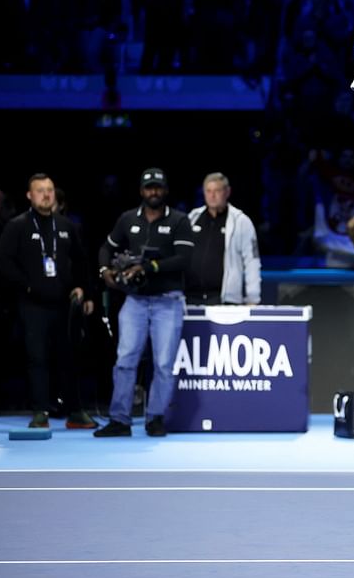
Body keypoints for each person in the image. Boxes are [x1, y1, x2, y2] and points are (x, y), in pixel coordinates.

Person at [93, 168, 194, 437]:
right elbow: (106, 247)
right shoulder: (128, 219)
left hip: (167, 301)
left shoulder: (179, 220)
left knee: (163, 363)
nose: (153, 192)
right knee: (125, 359)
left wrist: (148, 267)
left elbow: (184, 259)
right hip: (135, 301)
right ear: (141, 191)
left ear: (165, 191)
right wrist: (105, 272)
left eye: (158, 188)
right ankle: (120, 419)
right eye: (149, 188)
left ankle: (156, 418)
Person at [0, 174, 97, 429]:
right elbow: (1, 262)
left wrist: (85, 290)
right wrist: (26, 285)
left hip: (63, 303)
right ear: (30, 195)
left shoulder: (65, 225)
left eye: (50, 190)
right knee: (37, 358)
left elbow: (82, 261)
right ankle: (40, 411)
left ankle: (75, 411)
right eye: (40, 191)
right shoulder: (17, 226)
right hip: (32, 305)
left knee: (69, 357)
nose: (46, 195)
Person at [185, 172, 262, 305]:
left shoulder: (240, 221)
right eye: (208, 191)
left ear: (227, 192)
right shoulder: (192, 218)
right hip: (191, 297)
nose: (212, 195)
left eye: (217, 191)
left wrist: (253, 297)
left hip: (224, 300)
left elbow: (252, 261)